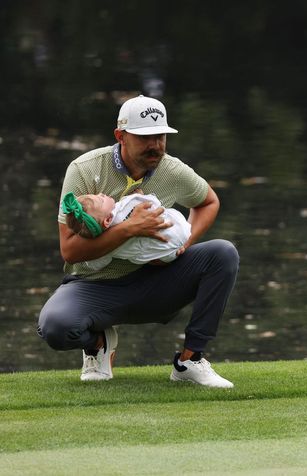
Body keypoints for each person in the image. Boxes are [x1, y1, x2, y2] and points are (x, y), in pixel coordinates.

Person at [38, 95, 240, 388]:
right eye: (145, 137)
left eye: (161, 136)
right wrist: (128, 229)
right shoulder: (83, 169)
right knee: (56, 328)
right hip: (95, 286)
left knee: (222, 253)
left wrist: (183, 245)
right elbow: (69, 251)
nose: (155, 145)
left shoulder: (172, 170)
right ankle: (97, 342)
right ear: (121, 136)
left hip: (157, 281)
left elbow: (208, 201)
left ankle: (190, 360)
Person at [62, 190, 191, 271]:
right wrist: (139, 194)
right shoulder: (123, 208)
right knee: (162, 213)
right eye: (101, 199)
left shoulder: (106, 247)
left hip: (164, 256)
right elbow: (151, 202)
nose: (101, 194)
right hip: (179, 229)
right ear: (107, 220)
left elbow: (96, 264)